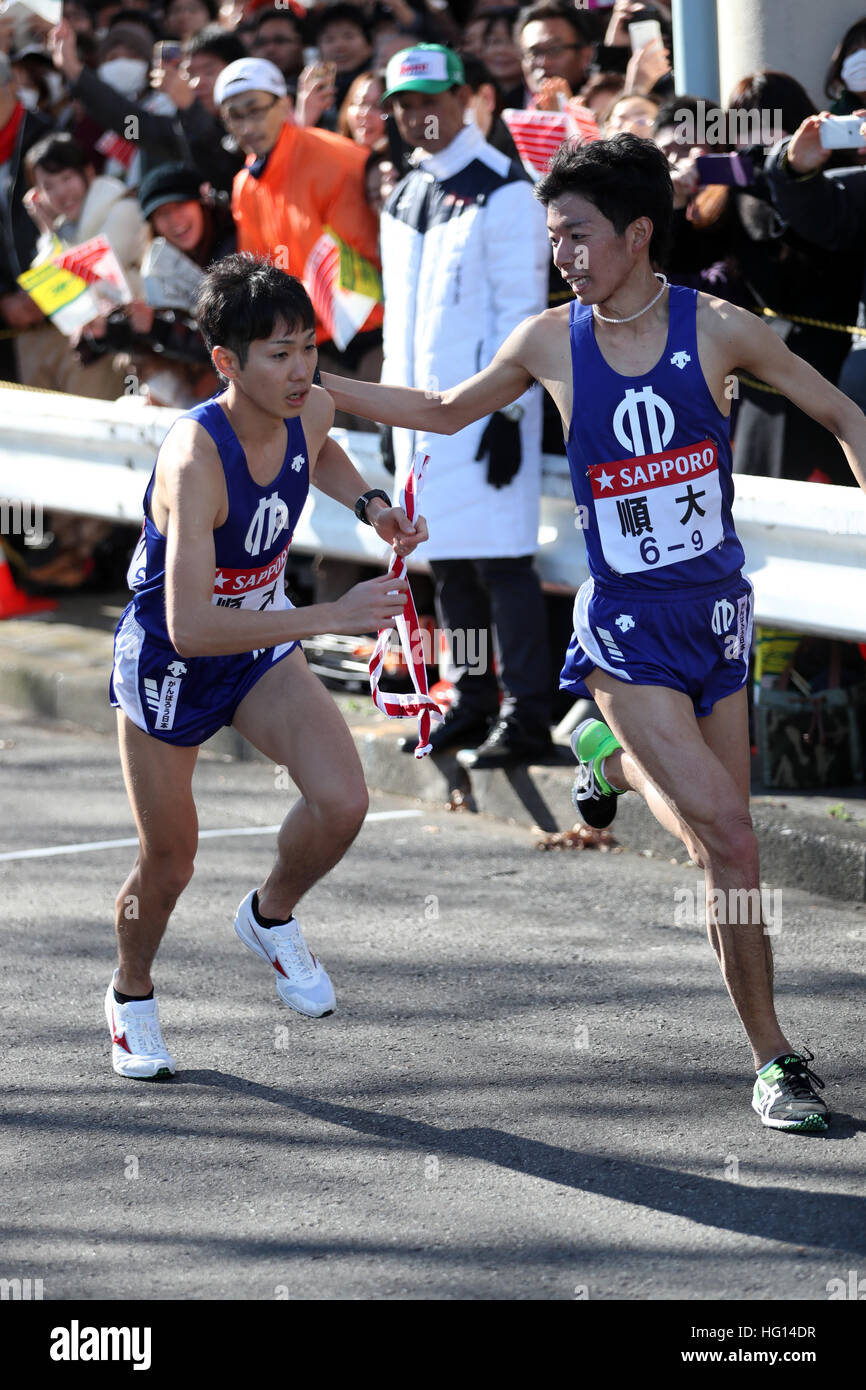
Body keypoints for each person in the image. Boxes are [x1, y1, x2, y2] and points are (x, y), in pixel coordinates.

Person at [322, 132, 866, 1131]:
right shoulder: (545, 342)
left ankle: (606, 760)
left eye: (576, 235)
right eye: (552, 238)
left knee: (713, 849)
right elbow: (443, 411)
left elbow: (840, 410)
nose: (561, 254)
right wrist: (328, 392)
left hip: (714, 622)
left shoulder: (716, 328)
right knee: (736, 838)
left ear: (637, 234)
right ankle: (774, 1058)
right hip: (623, 631)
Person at [106, 253, 426, 1080]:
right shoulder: (194, 458)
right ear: (225, 362)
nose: (300, 371)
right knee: (170, 862)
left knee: (344, 800)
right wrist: (331, 616)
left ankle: (269, 913)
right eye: (277, 354)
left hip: (256, 643)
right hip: (174, 660)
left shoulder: (307, 406)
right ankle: (130, 994)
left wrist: (374, 508)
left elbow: (318, 452)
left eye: (306, 348)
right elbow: (187, 626)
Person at [376, 43, 552, 766]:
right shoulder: (403, 191)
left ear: (466, 99)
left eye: (432, 99)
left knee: (502, 563)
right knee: (446, 565)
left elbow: (523, 315)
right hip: (415, 419)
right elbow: (398, 320)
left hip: (486, 417)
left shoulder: (506, 186)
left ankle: (528, 714)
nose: (420, 114)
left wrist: (507, 413)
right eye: (405, 104)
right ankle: (471, 698)